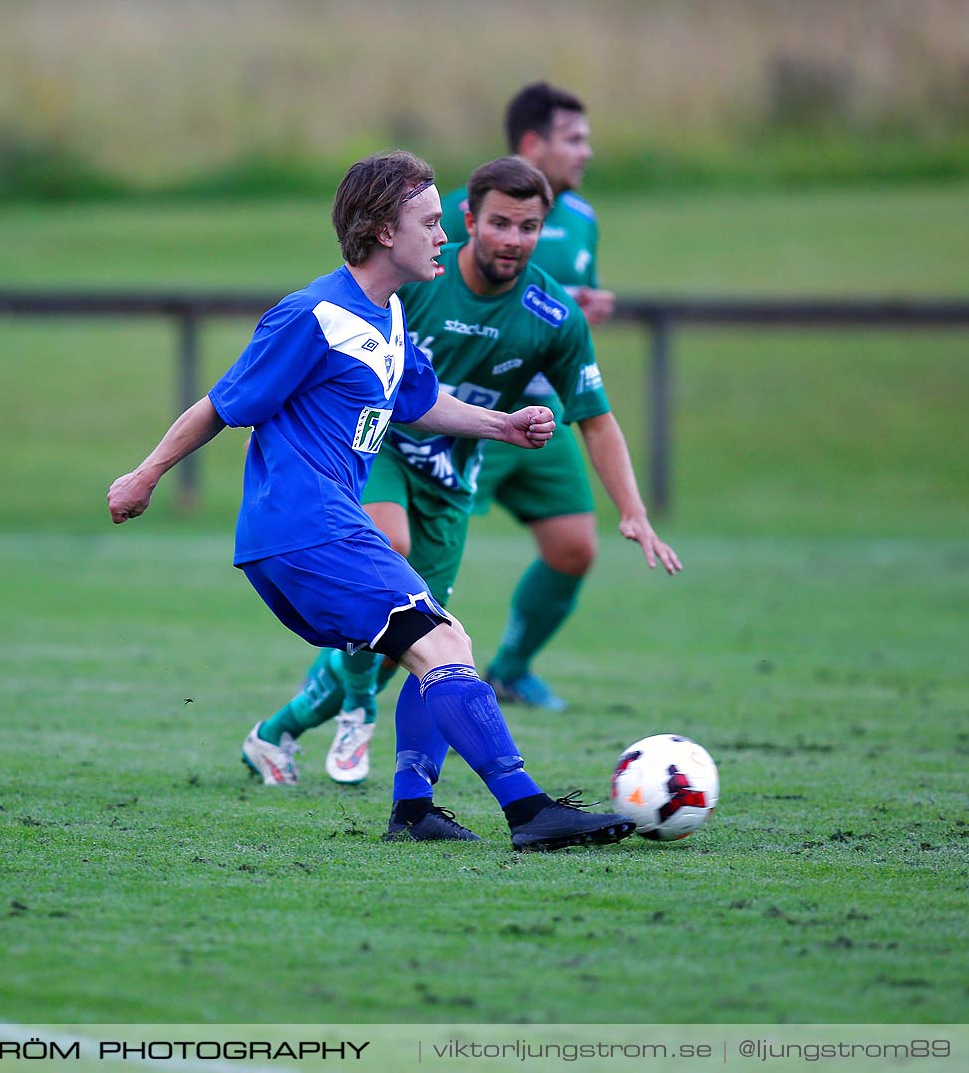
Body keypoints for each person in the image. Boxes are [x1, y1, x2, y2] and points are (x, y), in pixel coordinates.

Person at [108, 150, 635, 851]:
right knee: (441, 641)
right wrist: (145, 475)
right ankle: (528, 812)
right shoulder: (313, 315)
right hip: (306, 526)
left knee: (441, 641)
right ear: (385, 229)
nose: (444, 233)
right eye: (429, 221)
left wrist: (501, 425)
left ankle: (415, 810)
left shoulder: (388, 318)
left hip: (315, 530)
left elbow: (421, 403)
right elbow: (221, 404)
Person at [242, 157, 680, 789]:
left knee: (421, 640)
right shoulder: (417, 277)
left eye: (529, 227)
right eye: (499, 223)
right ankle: (362, 715)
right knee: (390, 549)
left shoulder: (554, 317)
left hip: (452, 475)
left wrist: (633, 512)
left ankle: (282, 728)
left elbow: (597, 418)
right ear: (468, 220)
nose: (513, 239)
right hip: (381, 447)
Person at [438, 82, 612, 710]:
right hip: (464, 417)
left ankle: (510, 668)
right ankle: (342, 690)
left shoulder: (584, 218)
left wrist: (587, 308)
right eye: (575, 139)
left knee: (575, 547)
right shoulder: (461, 209)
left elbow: (562, 304)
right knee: (417, 572)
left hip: (540, 417)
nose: (586, 153)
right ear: (534, 144)